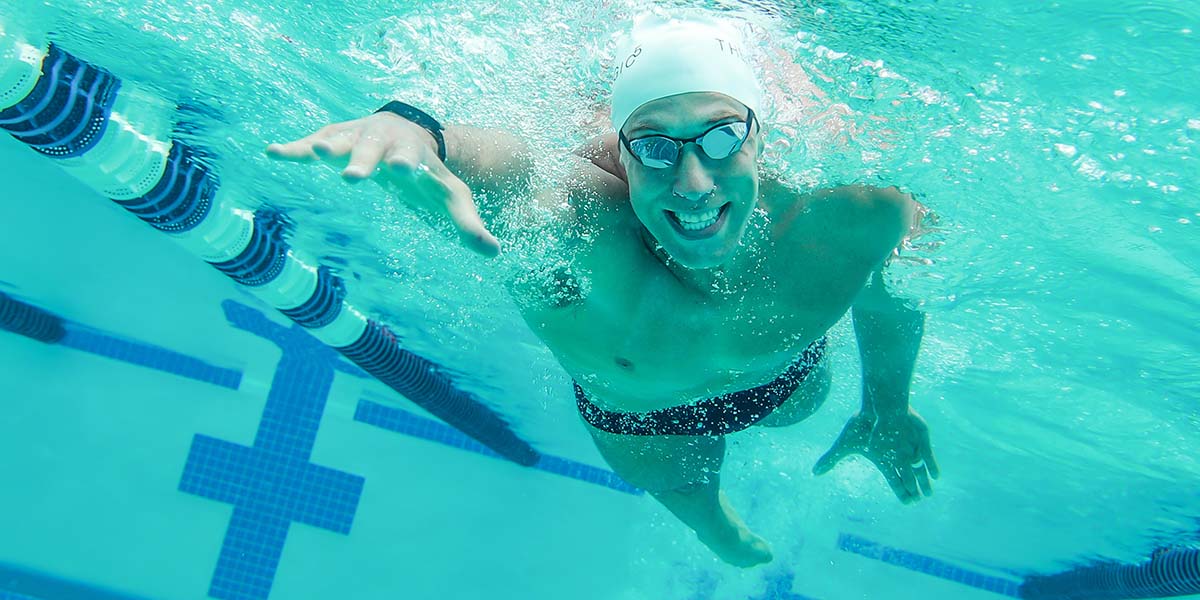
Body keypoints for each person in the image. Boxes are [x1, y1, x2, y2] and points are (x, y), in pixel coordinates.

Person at [266, 15, 938, 568]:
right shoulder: (586, 221)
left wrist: (887, 406)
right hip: (640, 418)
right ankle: (712, 524)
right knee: (684, 486)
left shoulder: (853, 219)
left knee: (794, 408)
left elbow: (888, 294)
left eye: (723, 136)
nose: (694, 184)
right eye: (652, 148)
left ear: (761, 139)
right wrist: (418, 130)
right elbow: (519, 175)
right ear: (619, 156)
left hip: (782, 382)